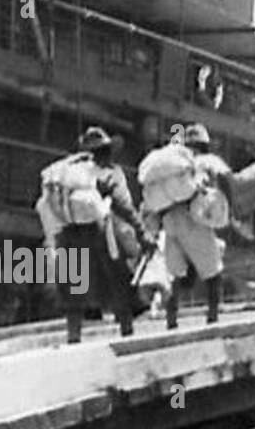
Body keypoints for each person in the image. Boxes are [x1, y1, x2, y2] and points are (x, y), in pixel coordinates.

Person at [58, 127, 150, 343]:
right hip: (100, 231)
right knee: (119, 278)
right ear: (107, 151)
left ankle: (74, 336)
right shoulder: (110, 173)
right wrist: (141, 231)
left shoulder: (70, 173)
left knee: (74, 283)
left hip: (69, 232)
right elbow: (123, 205)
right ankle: (127, 331)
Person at [159, 123, 228, 329]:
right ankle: (213, 317)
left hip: (171, 219)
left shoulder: (175, 164)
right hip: (194, 219)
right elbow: (227, 182)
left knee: (175, 274)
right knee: (213, 271)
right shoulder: (208, 162)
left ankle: (171, 319)